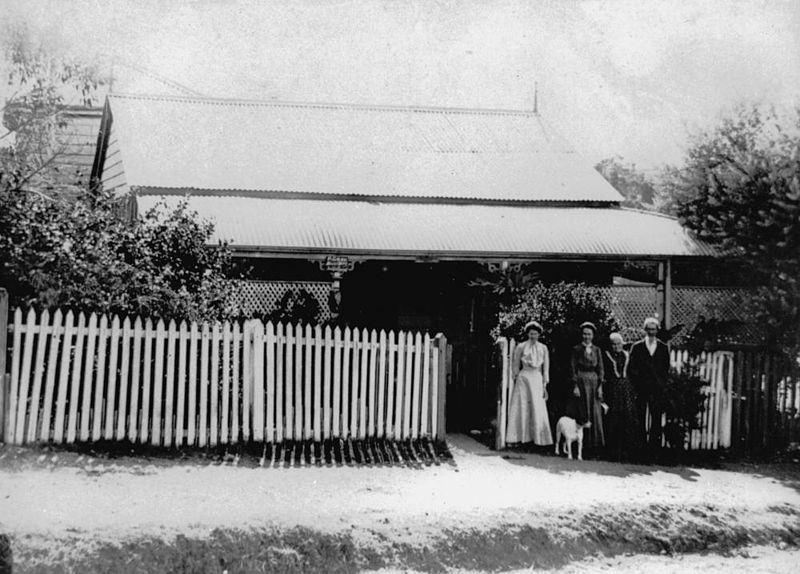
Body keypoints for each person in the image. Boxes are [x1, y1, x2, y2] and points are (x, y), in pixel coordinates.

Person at [506, 320, 553, 446]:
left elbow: (546, 367)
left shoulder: (543, 348)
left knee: (537, 407)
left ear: (539, 335)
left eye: (535, 334)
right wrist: (516, 377)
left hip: (537, 378)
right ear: (527, 334)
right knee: (522, 406)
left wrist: (545, 384)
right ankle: (519, 438)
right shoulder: (521, 346)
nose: (533, 336)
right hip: (524, 378)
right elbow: (515, 364)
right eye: (531, 334)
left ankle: (537, 438)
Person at [627, 317, 671, 449]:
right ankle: (640, 448)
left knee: (656, 418)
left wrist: (662, 385)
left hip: (657, 389)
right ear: (645, 330)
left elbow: (665, 369)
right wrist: (636, 383)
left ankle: (654, 449)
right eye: (649, 329)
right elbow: (631, 368)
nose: (651, 332)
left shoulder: (663, 348)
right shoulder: (637, 347)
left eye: (654, 329)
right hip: (641, 388)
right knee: (640, 417)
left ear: (657, 330)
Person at [602, 332, 642, 460]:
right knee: (614, 417)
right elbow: (605, 373)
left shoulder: (627, 355)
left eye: (618, 343)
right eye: (613, 344)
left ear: (622, 343)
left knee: (628, 417)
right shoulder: (607, 355)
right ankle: (612, 450)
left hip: (626, 390)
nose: (616, 346)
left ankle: (627, 451)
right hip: (613, 389)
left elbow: (633, 372)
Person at [567, 322, 605, 450]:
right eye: (584, 334)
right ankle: (580, 444)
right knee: (581, 409)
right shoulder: (576, 349)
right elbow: (572, 368)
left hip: (594, 382)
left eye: (589, 334)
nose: (586, 336)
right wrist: (575, 386)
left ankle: (594, 444)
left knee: (594, 411)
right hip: (581, 381)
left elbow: (601, 369)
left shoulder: (597, 350)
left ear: (593, 335)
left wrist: (600, 386)